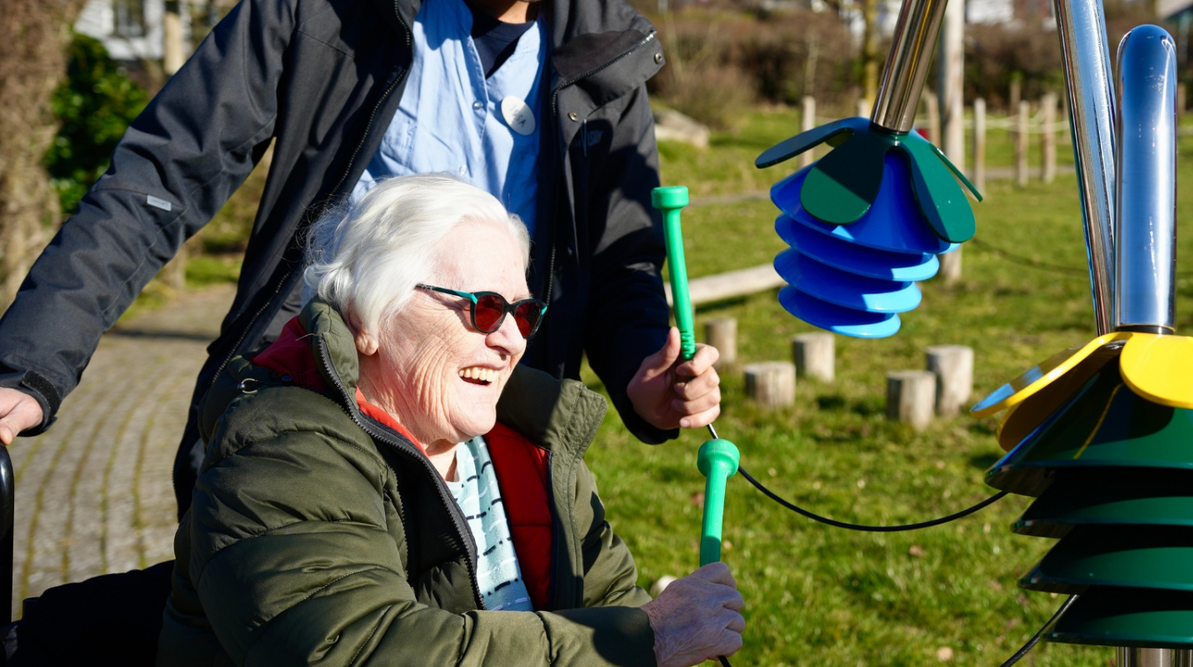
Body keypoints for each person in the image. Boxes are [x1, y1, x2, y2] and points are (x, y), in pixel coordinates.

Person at [0, 0, 718, 516]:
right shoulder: (322, 12)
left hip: (497, 447)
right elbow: (160, 178)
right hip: (308, 423)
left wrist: (639, 378)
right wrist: (29, 364)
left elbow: (622, 266)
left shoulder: (607, 51)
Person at [158, 174, 743, 665]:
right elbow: (355, 650)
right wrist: (649, 638)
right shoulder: (278, 451)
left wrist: (647, 632)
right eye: (485, 308)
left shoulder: (536, 445)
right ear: (368, 316)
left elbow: (614, 599)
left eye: (523, 312)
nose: (512, 340)